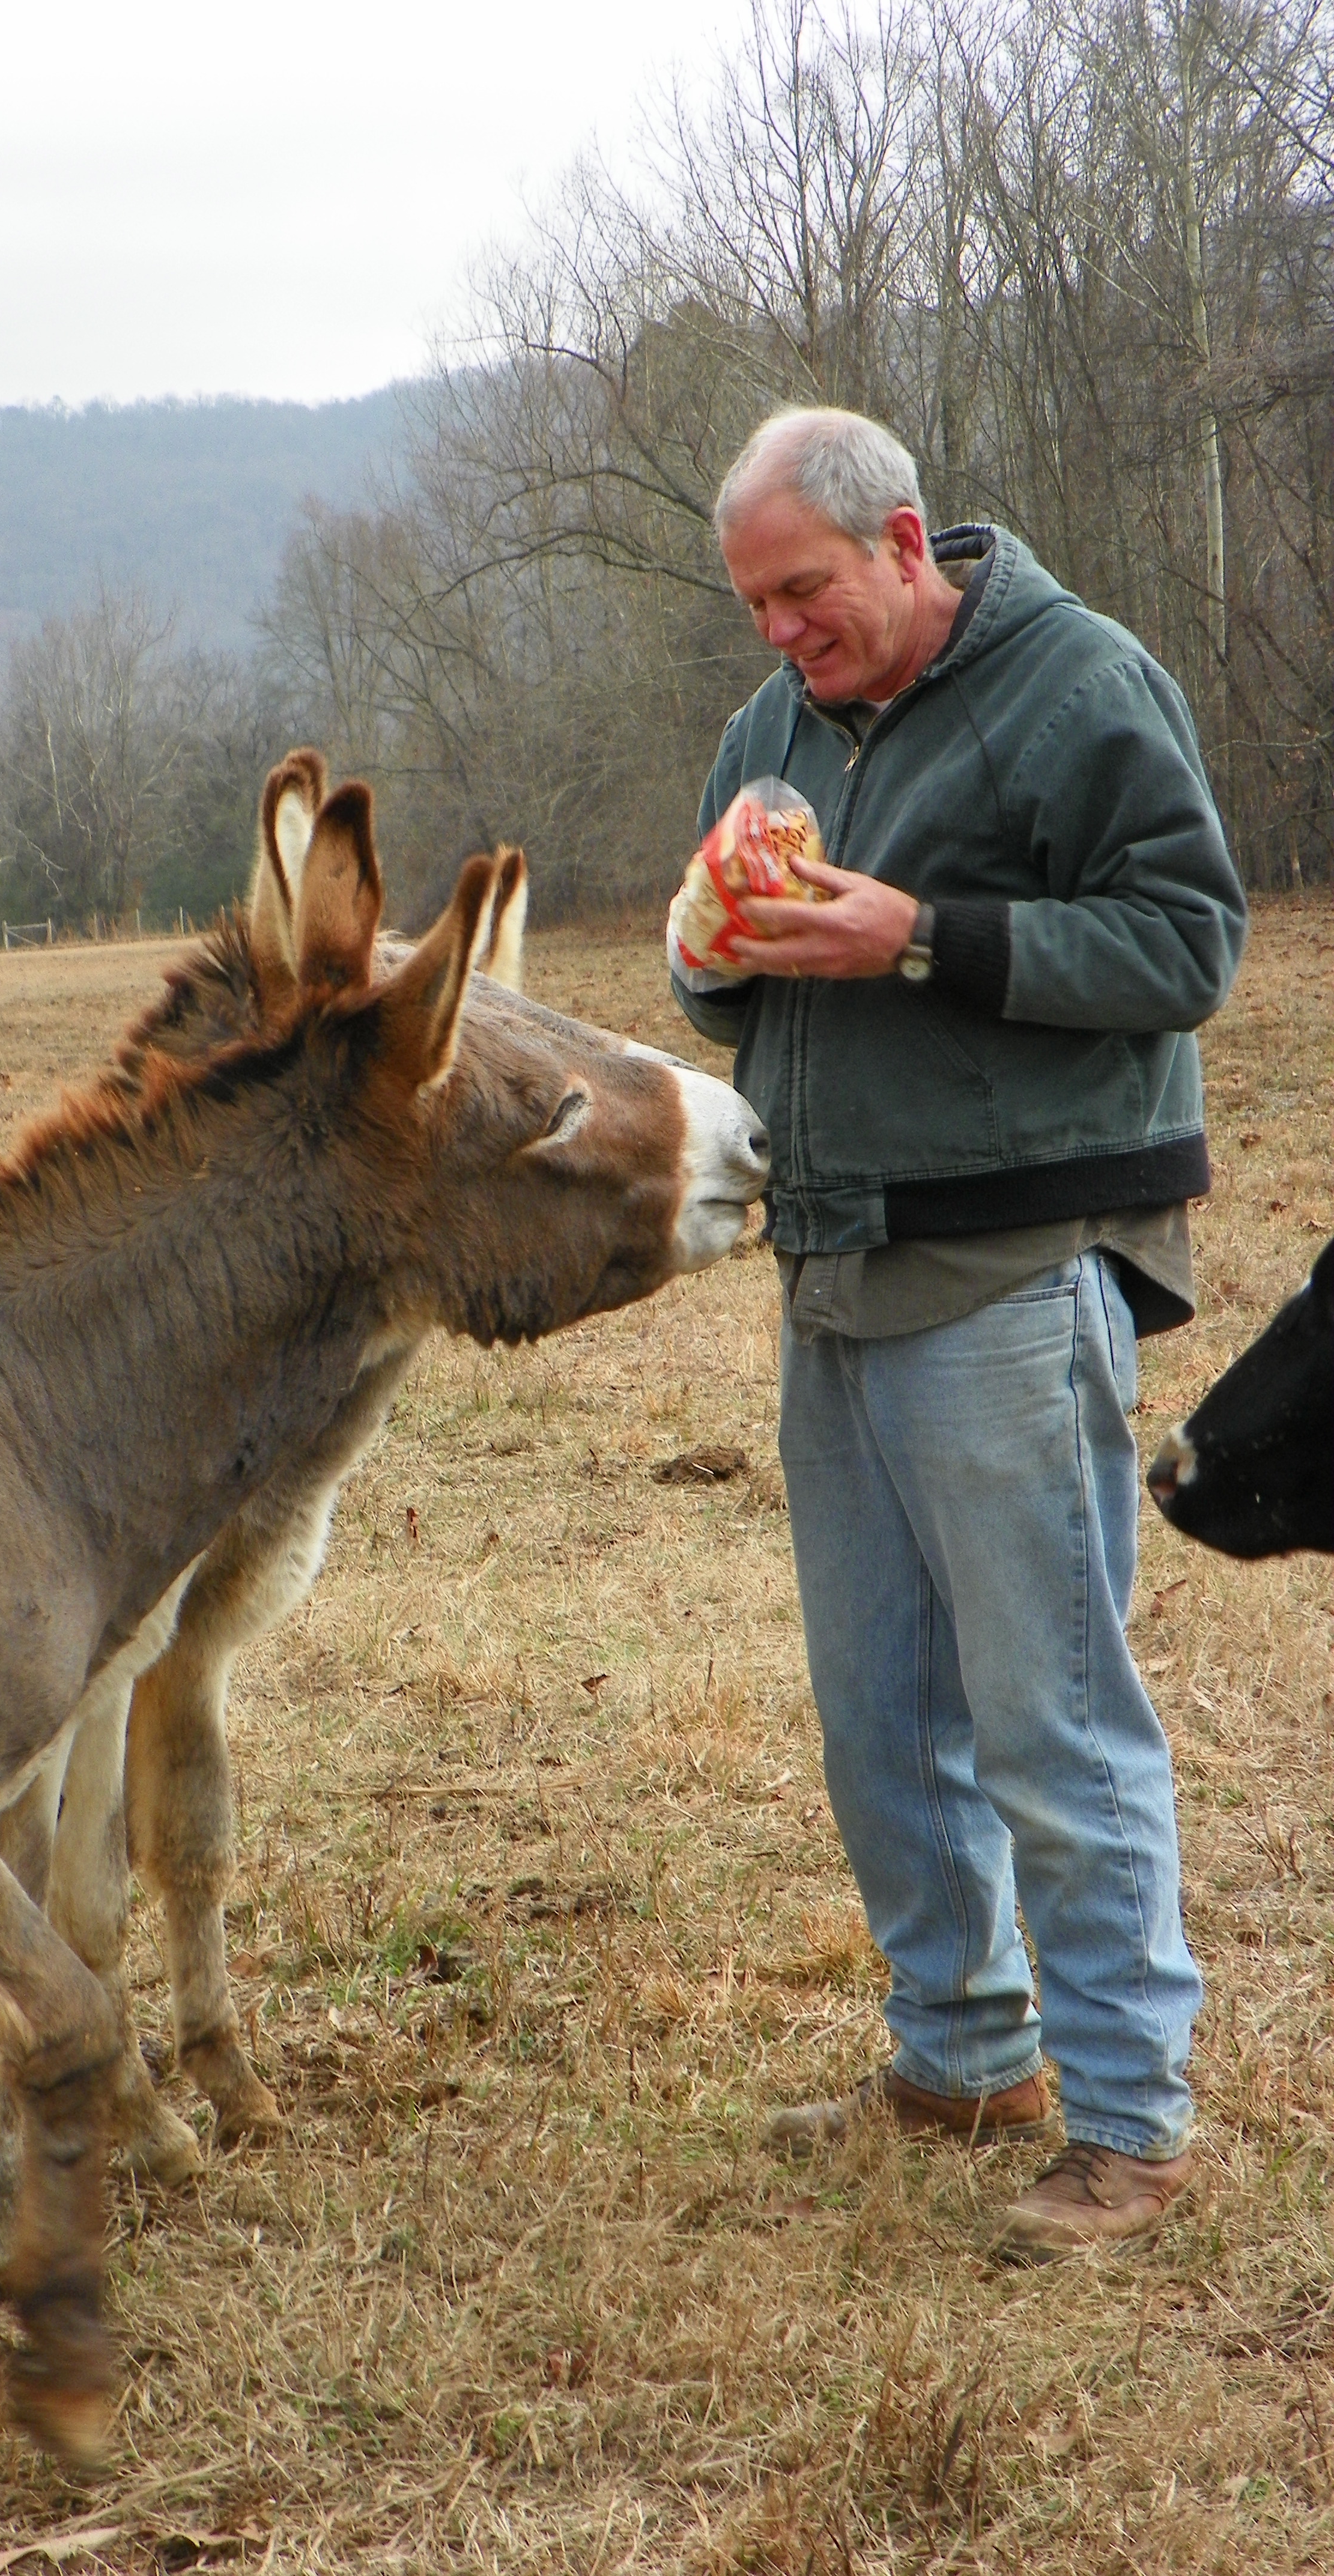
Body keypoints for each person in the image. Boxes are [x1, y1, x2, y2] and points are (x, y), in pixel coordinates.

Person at [672, 407, 1247, 2260]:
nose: (782, 632)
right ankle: (964, 2055)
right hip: (834, 1263)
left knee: (1048, 1721)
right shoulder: (771, 734)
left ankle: (1131, 2123)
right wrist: (709, 943)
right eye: (756, 603)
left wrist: (923, 935)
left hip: (1013, 1268)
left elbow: (1188, 946)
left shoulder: (1080, 685)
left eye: (806, 590)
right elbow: (729, 990)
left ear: (905, 545)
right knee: (883, 1719)